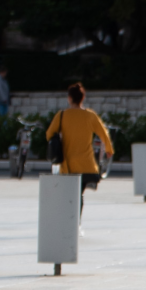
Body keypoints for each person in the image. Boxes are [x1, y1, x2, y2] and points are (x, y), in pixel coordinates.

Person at [45, 83, 114, 237]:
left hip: (68, 165)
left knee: (69, 196)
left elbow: (49, 134)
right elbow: (103, 132)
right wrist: (109, 150)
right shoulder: (90, 116)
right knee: (79, 195)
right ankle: (76, 224)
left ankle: (69, 224)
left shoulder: (62, 115)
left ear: (70, 98)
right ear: (82, 98)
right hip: (86, 165)